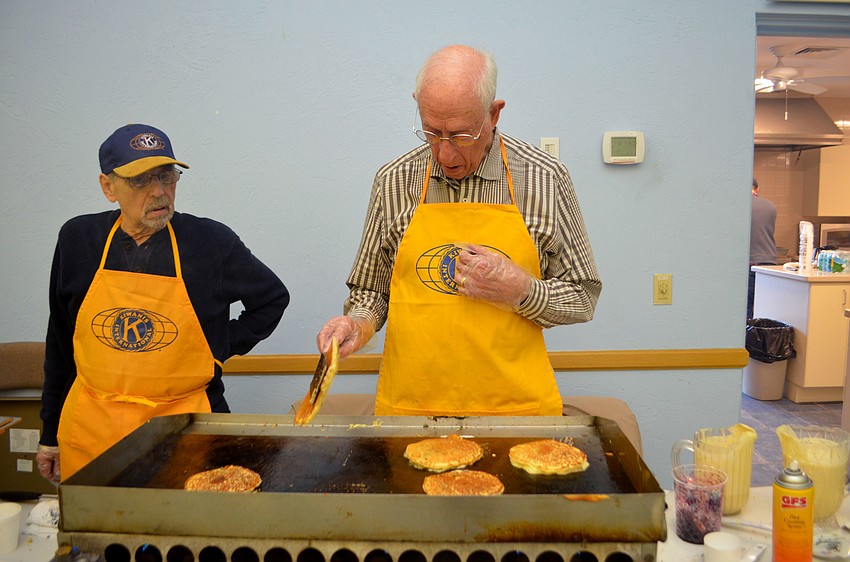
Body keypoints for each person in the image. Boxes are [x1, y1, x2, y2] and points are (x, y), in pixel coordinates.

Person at [316, 45, 601, 417]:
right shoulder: (393, 181)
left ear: (494, 114)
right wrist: (358, 323)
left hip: (515, 415)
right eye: (432, 134)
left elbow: (583, 296)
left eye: (461, 136)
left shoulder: (545, 178)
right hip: (411, 412)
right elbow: (372, 291)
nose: (445, 154)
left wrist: (522, 290)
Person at [36, 124, 289, 482]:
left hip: (185, 425)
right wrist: (49, 434)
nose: (159, 192)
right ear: (108, 187)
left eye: (167, 176)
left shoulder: (210, 242)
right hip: (94, 428)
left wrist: (215, 348)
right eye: (140, 180)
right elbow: (61, 340)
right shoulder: (78, 239)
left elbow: (272, 298)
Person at [748, 177, 777, 319]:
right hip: (769, 264)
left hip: (749, 263)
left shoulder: (739, 206)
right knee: (764, 309)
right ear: (757, 188)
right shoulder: (770, 206)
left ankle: (747, 340)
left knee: (746, 309)